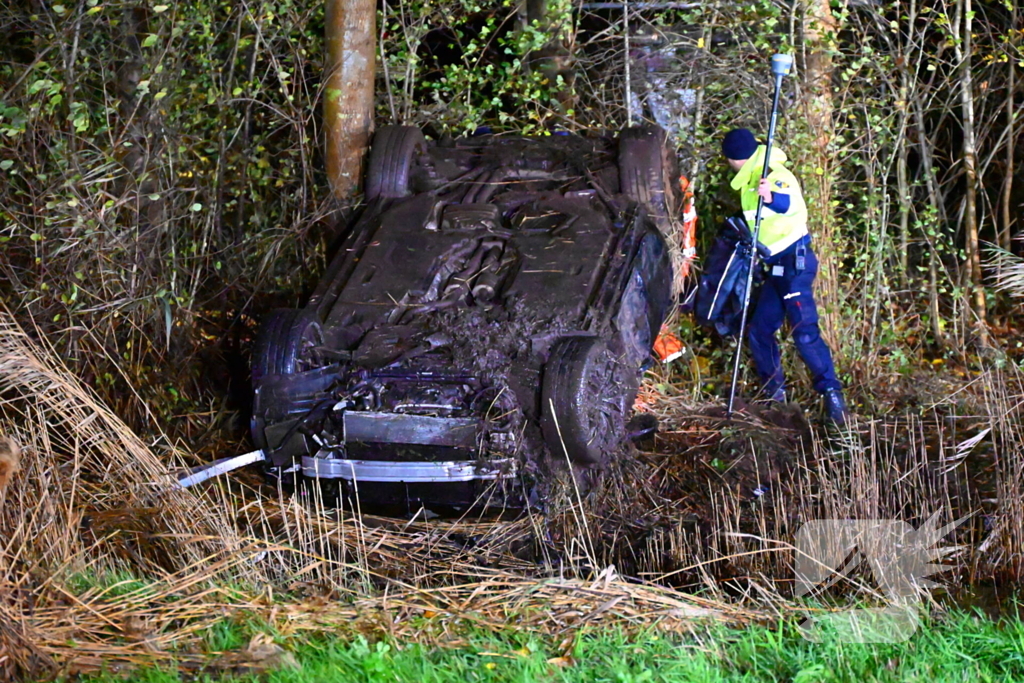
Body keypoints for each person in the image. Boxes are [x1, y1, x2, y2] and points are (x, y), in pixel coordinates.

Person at [720, 128, 849, 425]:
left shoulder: (774, 173)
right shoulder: (748, 184)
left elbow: (787, 202)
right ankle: (774, 396)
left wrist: (772, 196)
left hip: (795, 264)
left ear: (734, 158)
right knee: (759, 329)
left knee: (803, 331)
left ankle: (833, 398)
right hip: (775, 267)